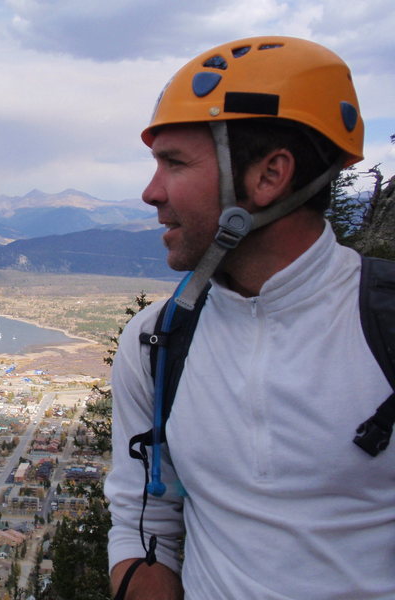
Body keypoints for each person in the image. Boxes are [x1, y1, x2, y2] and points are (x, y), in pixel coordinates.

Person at [104, 36, 395, 600]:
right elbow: (146, 527)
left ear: (269, 176)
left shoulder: (383, 324)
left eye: (174, 163)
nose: (150, 192)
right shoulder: (157, 343)